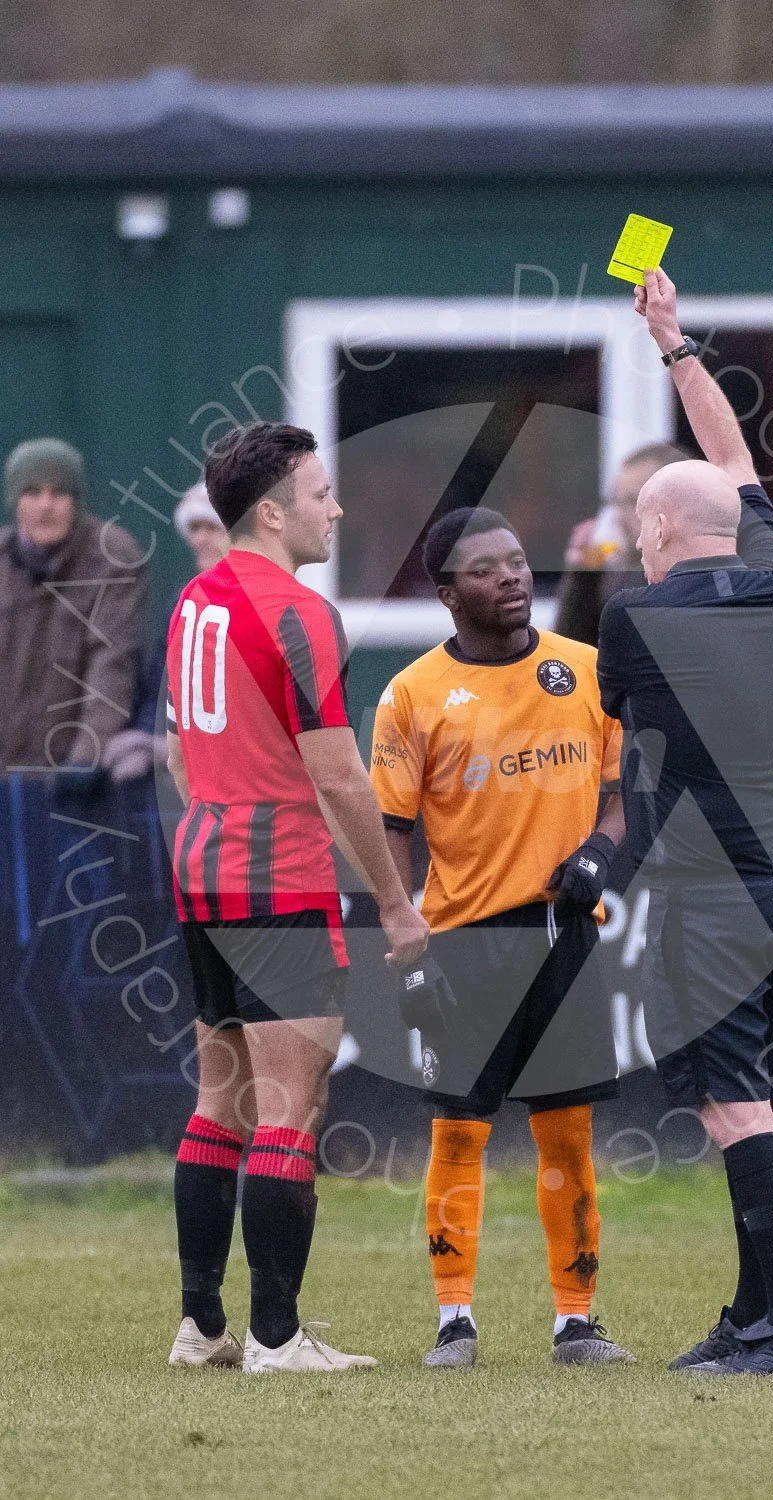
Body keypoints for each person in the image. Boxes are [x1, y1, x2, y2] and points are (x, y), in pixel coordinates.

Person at [597, 269, 773, 1377]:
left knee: (734, 1109)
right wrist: (671, 344)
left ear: (652, 530)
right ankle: (751, 1315)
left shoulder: (635, 619)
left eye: (638, 527)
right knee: (751, 1096)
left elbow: (616, 731)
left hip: (708, 892)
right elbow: (733, 472)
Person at [164, 421, 428, 1375]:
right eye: (321, 494)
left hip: (202, 865)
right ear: (271, 512)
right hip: (277, 874)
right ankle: (277, 1339)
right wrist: (397, 905)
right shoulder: (301, 613)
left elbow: (181, 752)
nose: (336, 508)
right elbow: (342, 779)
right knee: (289, 1111)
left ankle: (201, 1328)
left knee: (218, 1101)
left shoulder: (194, 598)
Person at [370, 505, 634, 1369]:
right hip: (460, 945)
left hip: (562, 938)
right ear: (448, 595)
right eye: (487, 569)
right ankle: (454, 1322)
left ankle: (577, 1322)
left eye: (519, 561)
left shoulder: (587, 671)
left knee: (567, 1133)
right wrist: (406, 948)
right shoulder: (410, 695)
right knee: (459, 1135)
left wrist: (600, 849)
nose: (513, 577)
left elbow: (626, 796)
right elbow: (392, 835)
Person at [0, 437, 146, 775]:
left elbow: (112, 661)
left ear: (76, 502)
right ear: (15, 501)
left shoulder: (112, 557)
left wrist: (85, 758)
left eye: (59, 493)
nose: (45, 505)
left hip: (74, 772)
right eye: (32, 493)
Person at [104, 483, 230, 784]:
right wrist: (147, 738)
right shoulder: (184, 602)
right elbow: (162, 684)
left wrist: (170, 749)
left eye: (212, 527)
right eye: (195, 528)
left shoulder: (259, 602)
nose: (200, 539)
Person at [553, 441, 690, 646]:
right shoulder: (621, 574)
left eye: (633, 500)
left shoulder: (707, 578)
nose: (618, 516)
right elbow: (571, 654)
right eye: (616, 502)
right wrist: (583, 576)